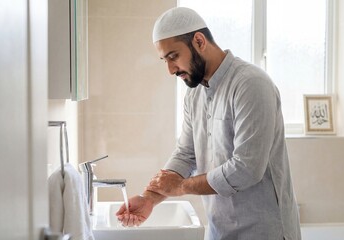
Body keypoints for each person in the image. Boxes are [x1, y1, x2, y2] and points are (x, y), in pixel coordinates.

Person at [116, 7, 301, 240]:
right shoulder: (194, 95)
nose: (170, 69)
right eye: (164, 60)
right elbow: (186, 154)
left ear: (199, 41)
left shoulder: (251, 84)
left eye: (173, 56)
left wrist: (181, 187)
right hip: (220, 232)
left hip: (264, 232)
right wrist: (149, 198)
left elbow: (247, 168)